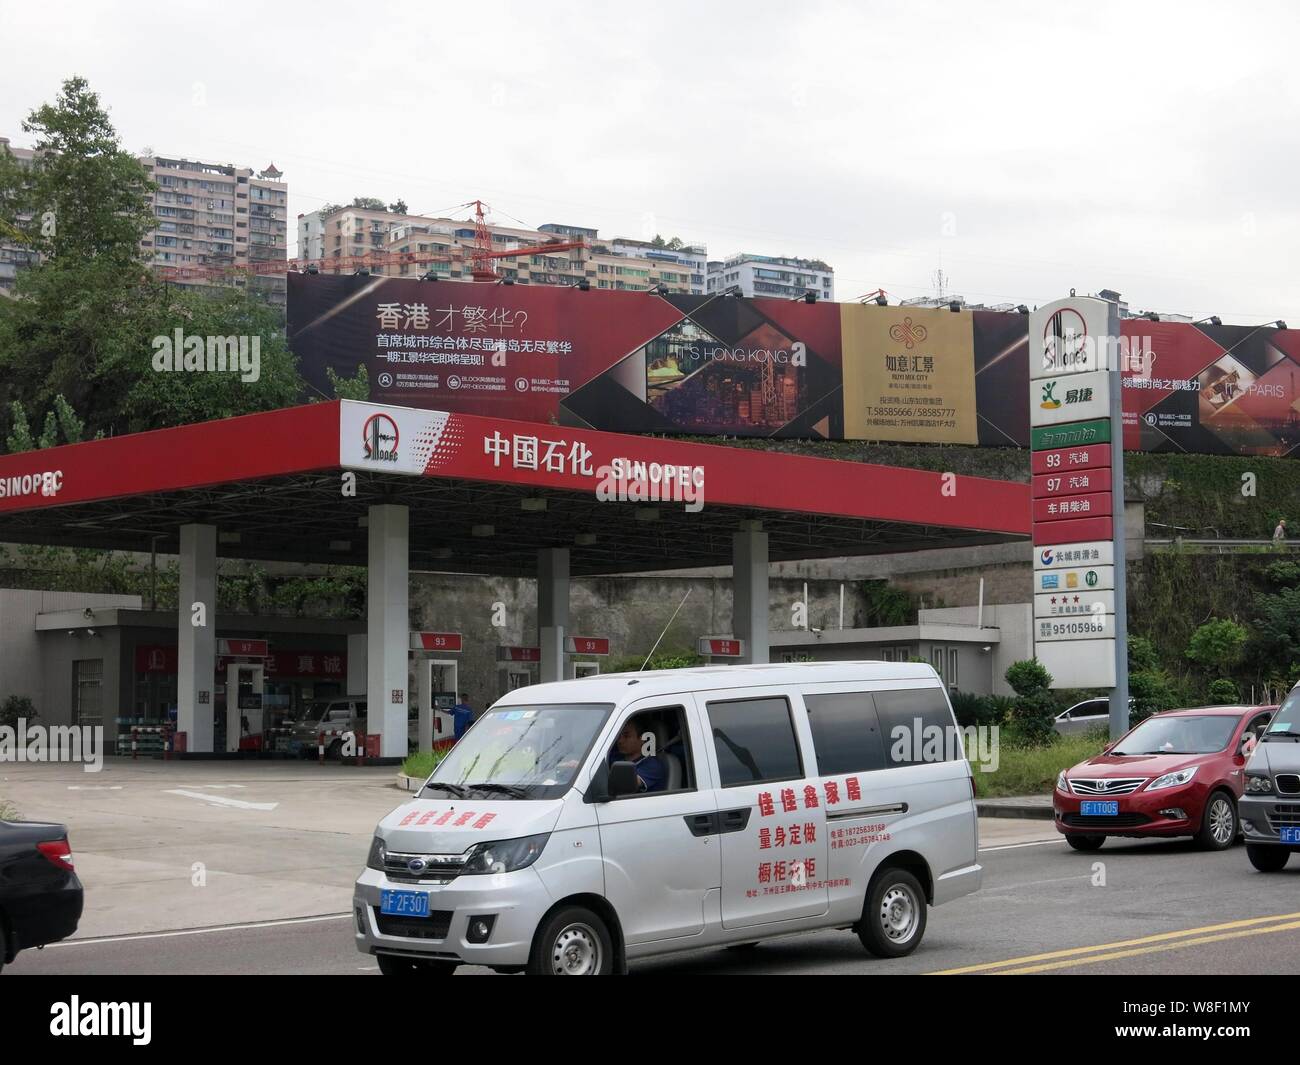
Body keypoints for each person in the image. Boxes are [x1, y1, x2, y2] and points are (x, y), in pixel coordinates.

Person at [608, 715, 666, 792]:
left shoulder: (652, 765)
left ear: (642, 739)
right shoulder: (615, 756)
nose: (620, 741)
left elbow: (626, 784)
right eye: (619, 736)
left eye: (626, 736)